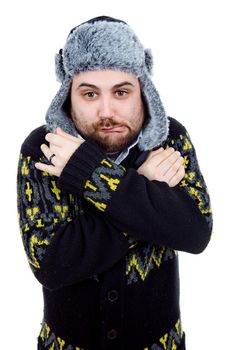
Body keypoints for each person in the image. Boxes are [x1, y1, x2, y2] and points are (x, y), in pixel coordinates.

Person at [17, 16, 212, 350]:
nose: (106, 110)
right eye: (90, 93)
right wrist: (143, 191)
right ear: (68, 96)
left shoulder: (169, 140)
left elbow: (194, 232)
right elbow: (51, 263)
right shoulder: (44, 149)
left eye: (121, 92)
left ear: (142, 91)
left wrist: (86, 171)